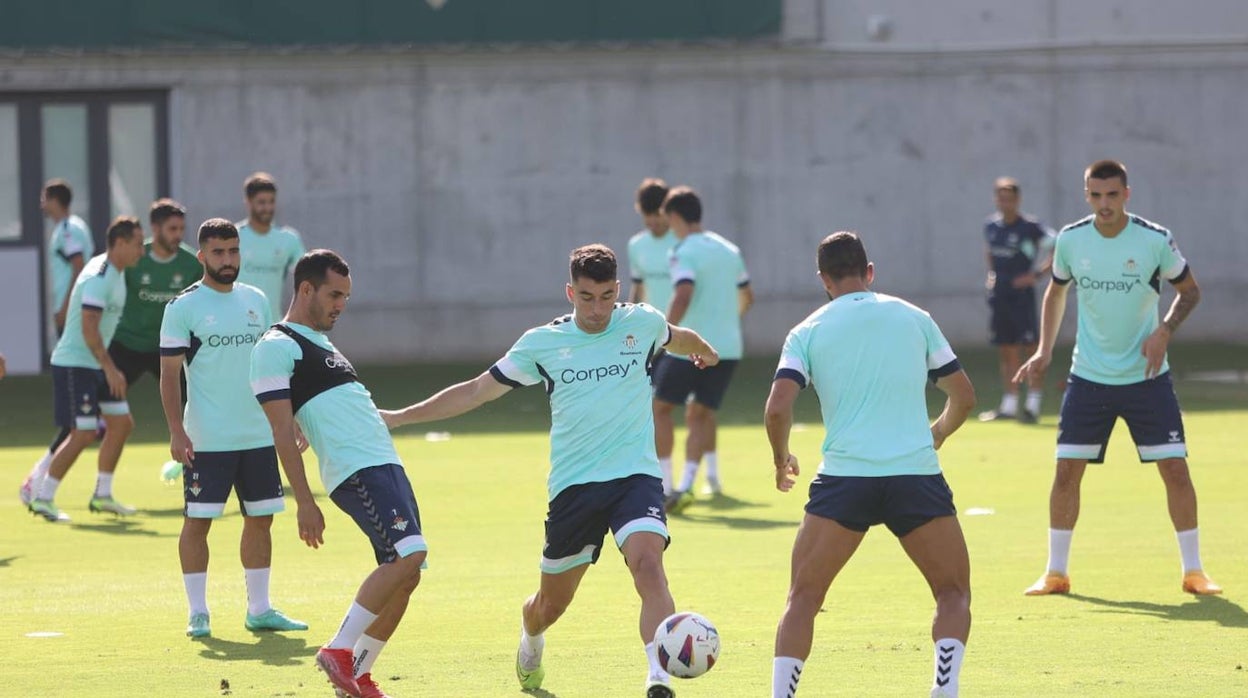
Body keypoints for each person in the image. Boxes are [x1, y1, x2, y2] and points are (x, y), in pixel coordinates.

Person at [380, 244, 719, 698]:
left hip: (635, 477)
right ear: (569, 292)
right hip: (574, 488)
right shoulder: (541, 343)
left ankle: (658, 677)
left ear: (618, 290)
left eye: (604, 296)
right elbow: (476, 391)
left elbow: (677, 336)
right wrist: (400, 417)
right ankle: (531, 636)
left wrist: (704, 351)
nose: (596, 309)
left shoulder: (642, 323)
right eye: (585, 297)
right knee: (549, 606)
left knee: (648, 565)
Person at [766, 231, 976, 698]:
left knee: (803, 599)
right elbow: (962, 395)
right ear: (870, 272)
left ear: (823, 280)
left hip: (844, 481)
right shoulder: (915, 318)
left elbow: (778, 408)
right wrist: (937, 432)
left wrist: (781, 460)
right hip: (915, 477)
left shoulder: (808, 330)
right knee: (953, 592)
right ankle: (945, 690)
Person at [1016, 160, 1220, 596]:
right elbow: (1056, 290)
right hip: (1088, 378)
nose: (1103, 203)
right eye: (1095, 195)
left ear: (1126, 194)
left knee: (1176, 470)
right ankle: (1056, 572)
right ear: (1086, 195)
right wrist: (1043, 350)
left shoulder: (1154, 240)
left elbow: (1191, 291)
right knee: (1066, 472)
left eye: (1111, 195)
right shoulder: (1071, 240)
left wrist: (1164, 331)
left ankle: (1194, 571)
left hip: (1147, 379)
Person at [251, 250, 424, 698]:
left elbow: (324, 410)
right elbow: (280, 430)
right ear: (305, 289)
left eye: (346, 297)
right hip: (356, 468)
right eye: (333, 295)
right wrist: (305, 501)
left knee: (408, 572)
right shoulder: (276, 345)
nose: (340, 305)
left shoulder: (321, 343)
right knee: (407, 556)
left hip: (384, 462)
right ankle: (339, 650)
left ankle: (359, 674)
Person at [159, 218, 307, 639]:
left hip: (260, 435)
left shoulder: (257, 300)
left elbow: (273, 366)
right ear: (202, 256)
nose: (228, 260)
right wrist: (176, 430)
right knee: (198, 522)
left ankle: (259, 609)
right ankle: (198, 612)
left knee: (261, 520)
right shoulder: (182, 307)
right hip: (207, 438)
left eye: (234, 251)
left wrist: (290, 416)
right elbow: (169, 376)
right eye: (219, 253)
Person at [27, 216, 146, 522]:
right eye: (136, 244)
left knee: (121, 424)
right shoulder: (100, 275)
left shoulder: (118, 273)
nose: (141, 251)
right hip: (76, 364)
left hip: (94, 362)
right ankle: (43, 498)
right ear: (119, 243)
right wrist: (110, 368)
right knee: (83, 431)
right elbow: (89, 329)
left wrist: (105, 366)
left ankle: (102, 495)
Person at [652, 186, 752, 512]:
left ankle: (666, 485)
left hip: (690, 346)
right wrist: (725, 321)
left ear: (677, 217)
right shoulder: (729, 249)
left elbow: (683, 293)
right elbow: (747, 297)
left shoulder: (682, 251)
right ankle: (687, 484)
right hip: (729, 347)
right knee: (701, 413)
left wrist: (664, 334)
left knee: (660, 409)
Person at [978, 177, 1055, 424]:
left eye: (1009, 198)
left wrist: (1036, 276)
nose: (1005, 203)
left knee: (1031, 348)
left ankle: (1033, 405)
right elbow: (990, 252)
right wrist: (992, 276)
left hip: (1022, 297)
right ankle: (1009, 405)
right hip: (1000, 296)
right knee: (1006, 349)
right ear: (995, 200)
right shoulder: (991, 226)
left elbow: (1058, 246)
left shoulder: (1030, 227)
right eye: (1001, 198)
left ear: (1018, 200)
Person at [110, 199, 202, 398]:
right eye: (172, 229)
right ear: (155, 227)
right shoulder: (133, 258)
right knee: (99, 399)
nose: (178, 235)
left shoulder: (193, 264)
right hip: (129, 344)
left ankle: (187, 431)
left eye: (181, 229)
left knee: (196, 399)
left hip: (170, 346)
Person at [626, 178, 678, 494]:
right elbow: (638, 288)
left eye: (658, 215)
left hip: (675, 337)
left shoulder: (682, 243)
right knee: (644, 407)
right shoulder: (637, 245)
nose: (654, 222)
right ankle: (648, 476)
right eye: (648, 216)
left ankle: (669, 482)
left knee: (663, 407)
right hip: (646, 339)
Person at [236, 172, 306, 319]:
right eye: (261, 202)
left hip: (273, 325)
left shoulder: (288, 239)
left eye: (271, 201)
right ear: (248, 202)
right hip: (238, 326)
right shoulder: (234, 236)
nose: (267, 207)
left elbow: (307, 277)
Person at [43, 179, 94, 335]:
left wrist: (65, 309)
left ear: (54, 200)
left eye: (44, 199)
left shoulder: (68, 229)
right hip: (76, 309)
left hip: (73, 311)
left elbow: (78, 267)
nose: (41, 204)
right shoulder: (72, 225)